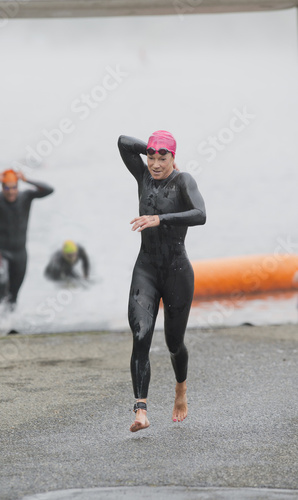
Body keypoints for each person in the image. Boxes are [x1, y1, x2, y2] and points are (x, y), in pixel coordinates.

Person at [118, 131, 206, 432]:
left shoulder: (183, 181)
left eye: (163, 157)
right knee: (141, 335)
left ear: (173, 157)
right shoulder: (143, 176)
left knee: (173, 343)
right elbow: (122, 142)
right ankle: (140, 410)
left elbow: (200, 214)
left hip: (177, 270)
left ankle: (181, 389)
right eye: (151, 157)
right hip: (146, 269)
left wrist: (160, 219)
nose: (155, 164)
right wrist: (152, 147)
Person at [0, 169, 54, 310]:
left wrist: (27, 180)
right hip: (0, 251)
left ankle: (9, 323)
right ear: (2, 187)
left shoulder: (26, 196)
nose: (11, 192)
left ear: (18, 186)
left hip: (20, 254)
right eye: (7, 187)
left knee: (14, 293)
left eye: (14, 187)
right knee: (2, 282)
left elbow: (49, 190)